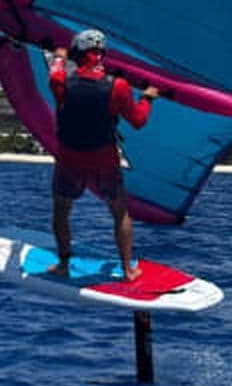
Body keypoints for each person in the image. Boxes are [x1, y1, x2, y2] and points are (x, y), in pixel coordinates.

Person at [48, 29, 158, 282]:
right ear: (102, 54)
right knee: (119, 212)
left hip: (70, 158)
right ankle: (128, 270)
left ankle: (63, 265)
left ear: (77, 52)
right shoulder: (117, 86)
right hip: (104, 159)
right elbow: (138, 121)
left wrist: (60, 55)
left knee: (61, 211)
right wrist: (147, 99)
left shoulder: (61, 80)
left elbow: (56, 67)